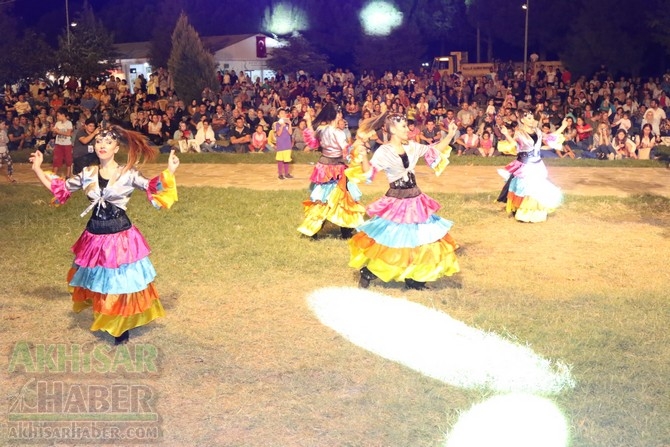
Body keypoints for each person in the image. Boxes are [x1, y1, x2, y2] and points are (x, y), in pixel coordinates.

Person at [28, 126, 179, 345]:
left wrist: (170, 171)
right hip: (94, 236)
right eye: (99, 142)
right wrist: (37, 169)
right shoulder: (88, 173)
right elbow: (60, 188)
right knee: (100, 281)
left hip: (120, 237)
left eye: (108, 142)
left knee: (118, 283)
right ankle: (107, 317)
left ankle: (119, 326)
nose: (102, 145)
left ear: (116, 148)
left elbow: (151, 186)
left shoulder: (128, 173)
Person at [347, 112, 460, 290]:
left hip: (416, 199)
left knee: (422, 239)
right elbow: (370, 174)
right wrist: (363, 156)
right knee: (394, 239)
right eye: (404, 127)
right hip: (397, 201)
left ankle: (415, 278)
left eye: (407, 126)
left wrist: (451, 135)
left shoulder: (412, 146)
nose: (408, 129)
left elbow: (434, 150)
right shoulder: (384, 152)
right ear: (392, 129)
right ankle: (369, 272)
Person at [297, 102, 366, 239]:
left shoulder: (322, 129)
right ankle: (345, 232)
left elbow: (312, 142)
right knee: (342, 199)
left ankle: (314, 230)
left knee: (323, 199)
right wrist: (358, 145)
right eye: (340, 112)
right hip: (336, 168)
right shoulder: (338, 133)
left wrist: (310, 121)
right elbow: (346, 152)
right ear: (337, 115)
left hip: (324, 166)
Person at [496, 109, 565, 223]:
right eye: (528, 118)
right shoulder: (519, 133)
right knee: (526, 189)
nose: (531, 120)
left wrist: (563, 126)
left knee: (537, 188)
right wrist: (506, 134)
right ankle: (524, 212)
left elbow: (550, 137)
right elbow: (513, 145)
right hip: (526, 166)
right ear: (522, 120)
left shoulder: (538, 131)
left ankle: (536, 212)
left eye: (532, 118)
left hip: (537, 164)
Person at [51, 108, 74, 178]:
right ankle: (54, 174)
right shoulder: (57, 123)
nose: (57, 117)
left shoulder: (69, 123)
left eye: (58, 115)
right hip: (58, 143)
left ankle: (68, 175)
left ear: (63, 115)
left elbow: (68, 133)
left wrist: (58, 131)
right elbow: (54, 133)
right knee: (56, 159)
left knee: (68, 159)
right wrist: (54, 131)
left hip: (67, 144)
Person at [273, 108, 293, 179]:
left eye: (284, 113)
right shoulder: (277, 124)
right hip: (281, 145)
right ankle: (280, 174)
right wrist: (282, 126)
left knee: (287, 160)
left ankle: (287, 173)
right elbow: (278, 134)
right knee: (280, 160)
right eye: (281, 113)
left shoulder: (287, 124)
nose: (283, 114)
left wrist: (290, 124)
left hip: (287, 144)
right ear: (278, 116)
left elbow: (290, 133)